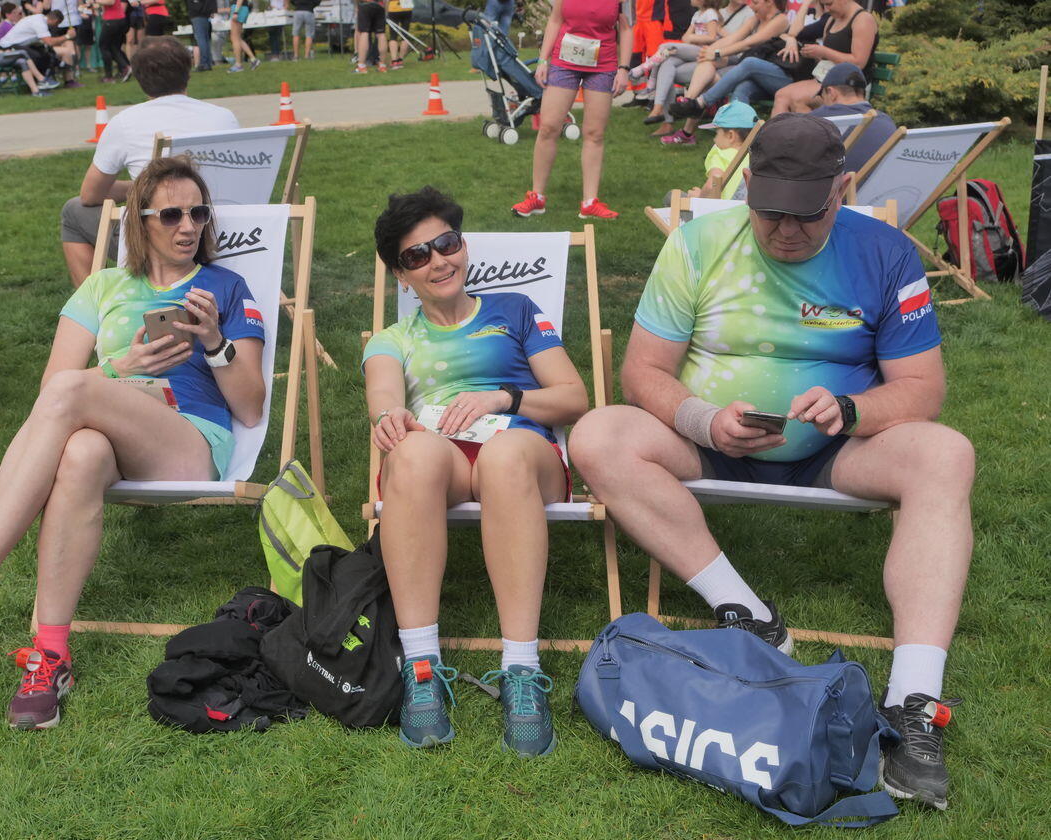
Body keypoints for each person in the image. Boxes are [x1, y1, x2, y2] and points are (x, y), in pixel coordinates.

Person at [570, 114, 972, 812]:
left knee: (946, 454)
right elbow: (642, 372)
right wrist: (704, 420)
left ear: (843, 189)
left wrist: (851, 409)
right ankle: (750, 614)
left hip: (837, 451)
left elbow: (922, 390)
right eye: (770, 211)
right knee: (597, 435)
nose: (786, 230)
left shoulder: (886, 253)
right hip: (708, 445)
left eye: (807, 214)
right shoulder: (697, 244)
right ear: (747, 186)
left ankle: (913, 703)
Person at [0, 155, 267, 730]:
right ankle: (50, 656)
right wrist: (124, 366)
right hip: (107, 432)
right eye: (171, 214)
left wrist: (214, 342)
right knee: (79, 453)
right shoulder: (103, 287)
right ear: (140, 222)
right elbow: (49, 393)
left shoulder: (226, 287)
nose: (188, 226)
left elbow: (250, 406)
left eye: (199, 213)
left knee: (73, 389)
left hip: (187, 442)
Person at [365, 187, 588, 756]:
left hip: (522, 451)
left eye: (447, 243)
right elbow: (384, 395)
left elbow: (573, 398)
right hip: (442, 458)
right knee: (411, 454)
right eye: (418, 255)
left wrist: (504, 398)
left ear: (462, 246)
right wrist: (390, 418)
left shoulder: (515, 310)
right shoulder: (393, 340)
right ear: (401, 275)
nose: (439, 261)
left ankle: (521, 671)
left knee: (504, 455)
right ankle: (421, 669)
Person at [61, 36, 239, 286]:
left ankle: (94, 304)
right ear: (188, 71)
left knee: (73, 211)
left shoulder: (126, 123)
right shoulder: (224, 118)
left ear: (139, 77)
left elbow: (90, 195)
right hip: (232, 233)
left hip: (165, 239)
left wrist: (144, 189)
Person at [510, 0, 632, 220]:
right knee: (548, 127)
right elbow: (555, 20)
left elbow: (625, 29)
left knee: (594, 133)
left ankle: (590, 202)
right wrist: (543, 60)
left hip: (603, 65)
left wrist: (624, 69)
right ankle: (536, 197)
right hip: (564, 63)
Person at [658, 0, 787, 144]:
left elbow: (748, 43)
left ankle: (698, 104)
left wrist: (717, 53)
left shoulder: (781, 19)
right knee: (730, 83)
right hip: (751, 75)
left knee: (745, 64)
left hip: (772, 74)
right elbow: (734, 38)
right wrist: (710, 51)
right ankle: (736, 142)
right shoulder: (756, 18)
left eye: (755, 2)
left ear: (770, 2)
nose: (751, 6)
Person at [770, 0, 878, 114]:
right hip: (824, 78)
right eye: (824, 5)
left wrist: (823, 51)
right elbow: (799, 35)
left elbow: (858, 63)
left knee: (798, 100)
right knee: (781, 96)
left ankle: (817, 126)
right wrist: (814, 54)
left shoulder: (863, 19)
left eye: (829, 4)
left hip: (850, 87)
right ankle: (781, 127)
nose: (827, 9)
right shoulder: (832, 19)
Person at [632, 0, 724, 125]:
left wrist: (693, 38)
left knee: (666, 47)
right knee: (667, 61)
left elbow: (712, 37)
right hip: (694, 50)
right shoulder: (697, 15)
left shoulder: (710, 13)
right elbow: (685, 37)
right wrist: (690, 38)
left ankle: (646, 72)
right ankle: (659, 108)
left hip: (704, 51)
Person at [808, 62, 896, 173]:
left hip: (838, 183)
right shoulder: (887, 122)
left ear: (831, 92)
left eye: (822, 96)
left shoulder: (815, 120)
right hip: (877, 183)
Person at [0, 3, 60, 97]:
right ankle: (42, 80)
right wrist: (1, 52)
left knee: (22, 61)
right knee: (22, 52)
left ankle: (36, 91)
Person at [687, 101, 755, 198]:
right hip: (750, 206)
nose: (714, 139)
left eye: (716, 133)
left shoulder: (721, 154)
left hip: (723, 206)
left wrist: (699, 198)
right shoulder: (757, 156)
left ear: (731, 136)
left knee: (671, 196)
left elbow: (712, 185)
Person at [0, 7, 79, 84]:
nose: (56, 26)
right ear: (55, 20)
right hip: (8, 47)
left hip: (17, 45)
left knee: (44, 51)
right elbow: (49, 42)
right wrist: (67, 36)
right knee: (38, 56)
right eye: (57, 24)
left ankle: (55, 68)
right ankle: (43, 80)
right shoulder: (40, 23)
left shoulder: (39, 18)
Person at [98, 0, 133, 80]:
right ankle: (125, 68)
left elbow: (111, 2)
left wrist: (96, 1)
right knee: (114, 47)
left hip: (112, 20)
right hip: (119, 19)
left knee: (104, 47)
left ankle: (109, 76)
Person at [355, 0, 388, 73]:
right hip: (380, 5)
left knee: (364, 32)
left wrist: (356, 6)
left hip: (365, 4)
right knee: (381, 33)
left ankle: (361, 66)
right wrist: (385, 8)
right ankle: (382, 66)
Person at [227, 0, 262, 71]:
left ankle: (238, 65)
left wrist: (236, 12)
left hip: (238, 8)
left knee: (235, 38)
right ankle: (253, 60)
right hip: (241, 8)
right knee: (237, 38)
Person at [188, 0, 217, 69]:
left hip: (197, 14)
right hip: (205, 15)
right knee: (206, 40)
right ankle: (208, 63)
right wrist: (212, 10)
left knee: (201, 40)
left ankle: (203, 63)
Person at [385, 0, 412, 68]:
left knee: (393, 36)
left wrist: (386, 12)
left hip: (394, 8)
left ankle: (394, 61)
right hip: (407, 7)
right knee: (405, 35)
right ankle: (400, 60)